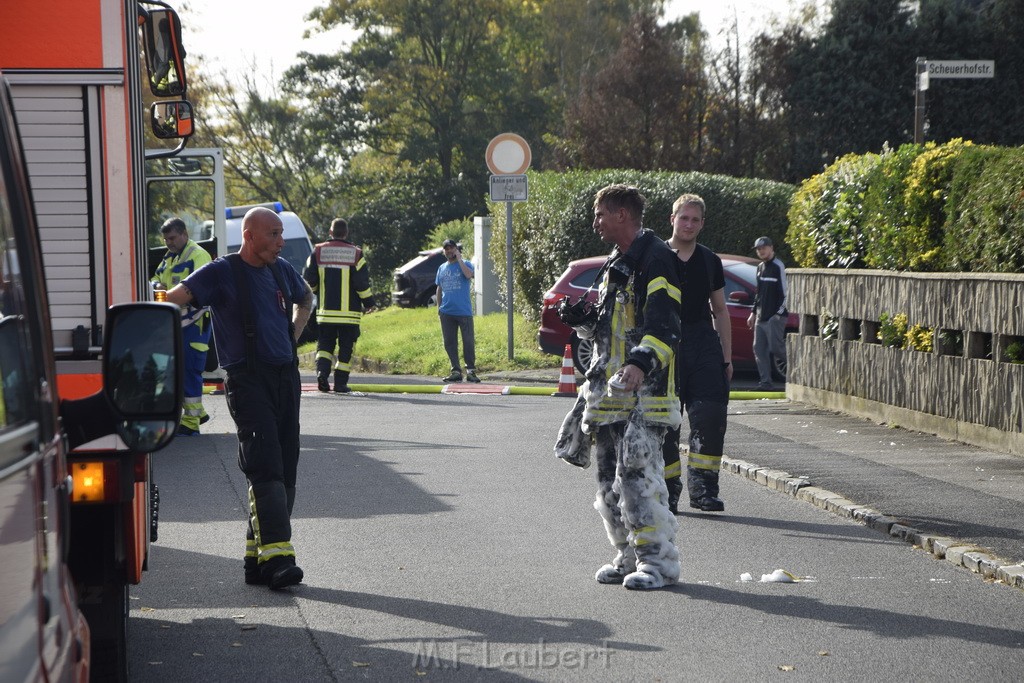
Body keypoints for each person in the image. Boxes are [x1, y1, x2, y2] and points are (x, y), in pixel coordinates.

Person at [164, 207, 314, 590]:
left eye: (282, 234)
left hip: (285, 377)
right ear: (249, 235)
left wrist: (291, 336)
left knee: (285, 467)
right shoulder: (220, 271)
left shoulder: (281, 269)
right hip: (247, 380)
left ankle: (256, 558)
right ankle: (280, 557)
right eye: (274, 234)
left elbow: (307, 298)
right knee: (264, 463)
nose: (281, 242)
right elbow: (174, 299)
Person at [558, 184, 682, 590]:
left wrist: (639, 364)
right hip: (609, 395)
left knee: (639, 479)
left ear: (622, 216)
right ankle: (627, 556)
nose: (596, 222)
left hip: (645, 396)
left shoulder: (657, 259)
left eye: (600, 215)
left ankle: (658, 565)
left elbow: (666, 327)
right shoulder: (618, 260)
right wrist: (582, 321)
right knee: (608, 479)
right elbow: (613, 331)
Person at [661, 195, 731, 513]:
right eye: (683, 218)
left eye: (695, 220)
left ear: (702, 224)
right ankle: (666, 492)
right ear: (672, 218)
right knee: (665, 424)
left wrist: (726, 358)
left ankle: (704, 491)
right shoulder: (656, 256)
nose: (688, 224)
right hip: (664, 346)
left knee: (710, 417)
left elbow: (720, 310)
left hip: (703, 345)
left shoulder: (709, 260)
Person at [151, 217, 212, 436]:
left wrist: (164, 291)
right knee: (175, 370)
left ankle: (191, 423)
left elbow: (200, 291)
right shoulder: (169, 258)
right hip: (176, 323)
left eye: (172, 238)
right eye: (166, 239)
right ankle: (196, 413)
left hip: (194, 323)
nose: (169, 242)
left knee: (189, 371)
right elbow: (156, 280)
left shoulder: (198, 255)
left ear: (185, 234)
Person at [303, 218, 374, 393]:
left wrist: (318, 290)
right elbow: (361, 283)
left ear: (330, 232)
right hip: (349, 315)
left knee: (325, 347)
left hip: (325, 314)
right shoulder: (356, 254)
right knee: (346, 349)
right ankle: (341, 384)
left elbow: (308, 278)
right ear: (346, 233)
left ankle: (321, 374)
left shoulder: (318, 252)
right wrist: (369, 303)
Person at [747, 236, 788, 391]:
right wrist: (753, 313)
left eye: (763, 248)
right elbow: (759, 293)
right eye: (758, 249)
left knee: (777, 348)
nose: (761, 251)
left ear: (771, 248)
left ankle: (798, 371)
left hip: (775, 317)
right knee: (758, 348)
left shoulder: (778, 266)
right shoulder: (760, 267)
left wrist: (778, 314)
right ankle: (766, 382)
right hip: (761, 316)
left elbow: (786, 293)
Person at [435, 238, 479, 383]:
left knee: (468, 341)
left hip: (464, 311)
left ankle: (471, 371)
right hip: (447, 312)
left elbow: (469, 275)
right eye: (446, 249)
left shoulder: (465, 264)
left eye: (452, 248)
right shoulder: (441, 268)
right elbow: (439, 288)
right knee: (449, 342)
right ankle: (455, 370)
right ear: (444, 251)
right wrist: (439, 308)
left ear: (456, 249)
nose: (449, 251)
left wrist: (459, 259)